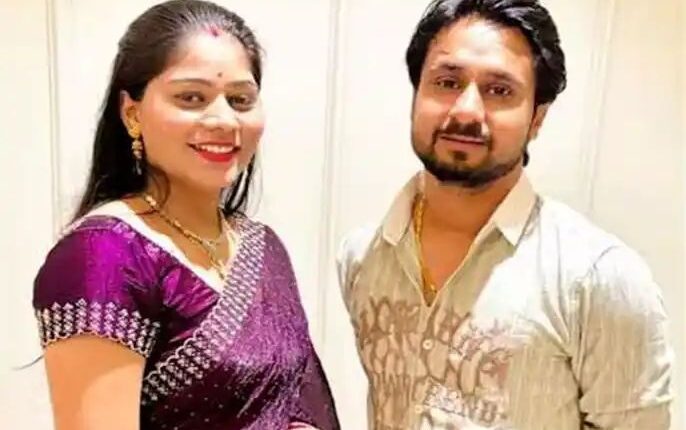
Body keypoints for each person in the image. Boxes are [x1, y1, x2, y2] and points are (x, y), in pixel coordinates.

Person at [337, 0, 673, 428]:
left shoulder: (598, 279)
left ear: (536, 119)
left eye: (499, 91)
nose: (466, 110)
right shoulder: (362, 258)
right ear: (416, 94)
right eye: (446, 82)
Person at [32, 1, 339, 429]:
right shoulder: (104, 256)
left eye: (240, 99)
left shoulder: (263, 246)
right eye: (191, 97)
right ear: (132, 113)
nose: (224, 120)